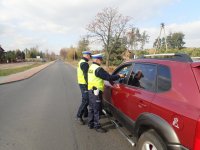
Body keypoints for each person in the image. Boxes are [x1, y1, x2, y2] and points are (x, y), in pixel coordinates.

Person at [87, 54, 125, 133]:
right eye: (101, 59)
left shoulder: (91, 67)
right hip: (96, 92)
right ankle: (96, 125)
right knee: (97, 108)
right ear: (97, 60)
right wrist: (119, 76)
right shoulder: (98, 69)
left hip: (90, 90)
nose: (101, 61)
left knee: (91, 107)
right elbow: (108, 77)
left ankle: (90, 123)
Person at [76, 51, 92, 125]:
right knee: (86, 100)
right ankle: (79, 116)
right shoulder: (84, 64)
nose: (90, 57)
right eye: (89, 56)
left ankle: (85, 113)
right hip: (84, 84)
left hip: (81, 83)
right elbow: (86, 76)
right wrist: (89, 85)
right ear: (87, 55)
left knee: (84, 99)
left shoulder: (81, 61)